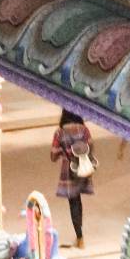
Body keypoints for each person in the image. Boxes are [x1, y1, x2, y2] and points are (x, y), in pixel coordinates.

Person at [51, 106, 96, 249]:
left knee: (73, 202)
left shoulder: (60, 133)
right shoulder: (84, 130)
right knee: (79, 201)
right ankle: (80, 235)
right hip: (82, 167)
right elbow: (90, 147)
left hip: (68, 171)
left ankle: (79, 236)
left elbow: (53, 154)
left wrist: (65, 152)